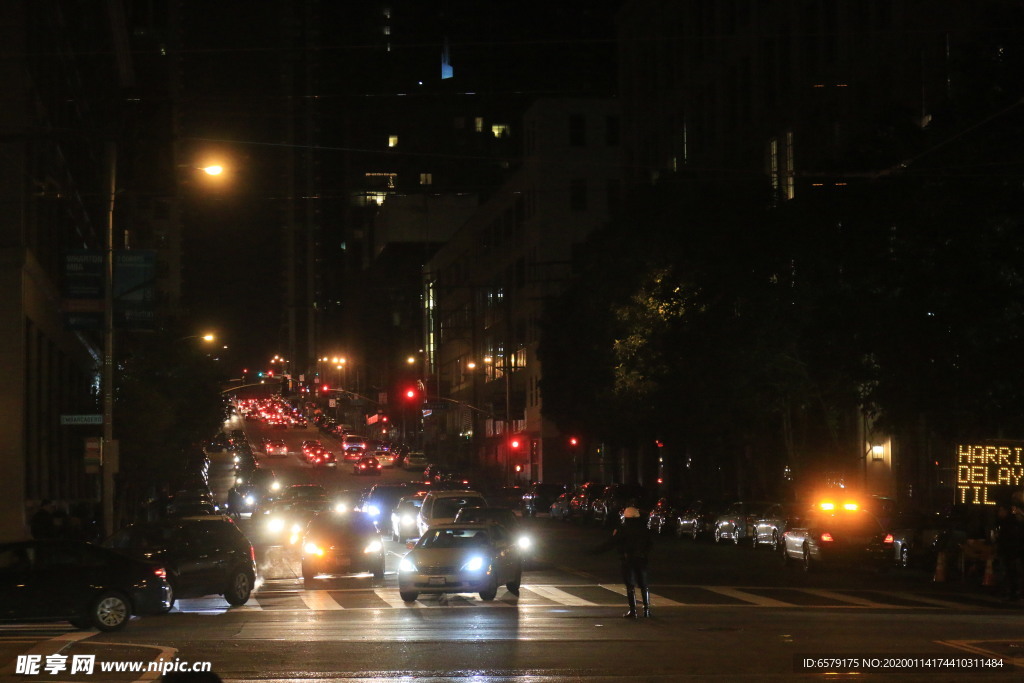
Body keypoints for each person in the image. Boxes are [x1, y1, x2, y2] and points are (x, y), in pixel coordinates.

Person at [593, 505, 653, 618]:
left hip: (628, 559)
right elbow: (650, 544)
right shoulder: (644, 529)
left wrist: (594, 551)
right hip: (641, 559)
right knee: (644, 584)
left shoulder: (623, 529)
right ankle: (646, 610)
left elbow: (611, 543)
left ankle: (633, 610)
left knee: (630, 585)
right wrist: (644, 553)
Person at [995, 501, 1023, 601]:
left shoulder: (1008, 524)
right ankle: (1013, 592)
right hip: (1013, 552)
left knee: (1010, 573)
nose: (999, 513)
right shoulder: (1014, 523)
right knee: (1012, 573)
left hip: (1011, 552)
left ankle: (1011, 592)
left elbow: (1008, 539)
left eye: (1001, 511)